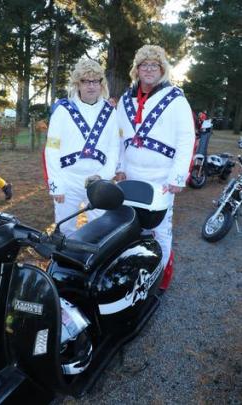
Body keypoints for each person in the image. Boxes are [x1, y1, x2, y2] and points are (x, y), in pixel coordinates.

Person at [116, 45, 195, 290]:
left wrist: (178, 176)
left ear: (162, 69)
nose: (149, 69)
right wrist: (119, 167)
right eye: (144, 65)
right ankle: (132, 275)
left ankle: (161, 278)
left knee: (160, 229)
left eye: (154, 65)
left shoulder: (176, 98)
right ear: (136, 70)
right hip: (130, 175)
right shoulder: (125, 99)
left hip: (161, 178)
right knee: (129, 227)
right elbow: (118, 138)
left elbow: (186, 139)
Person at [43, 59, 120, 235]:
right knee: (65, 229)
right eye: (85, 81)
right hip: (68, 179)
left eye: (95, 81)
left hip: (98, 180)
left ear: (101, 84)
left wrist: (104, 176)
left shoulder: (110, 111)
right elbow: (52, 148)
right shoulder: (63, 109)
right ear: (77, 83)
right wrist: (56, 183)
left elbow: (114, 148)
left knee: (100, 230)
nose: (91, 86)